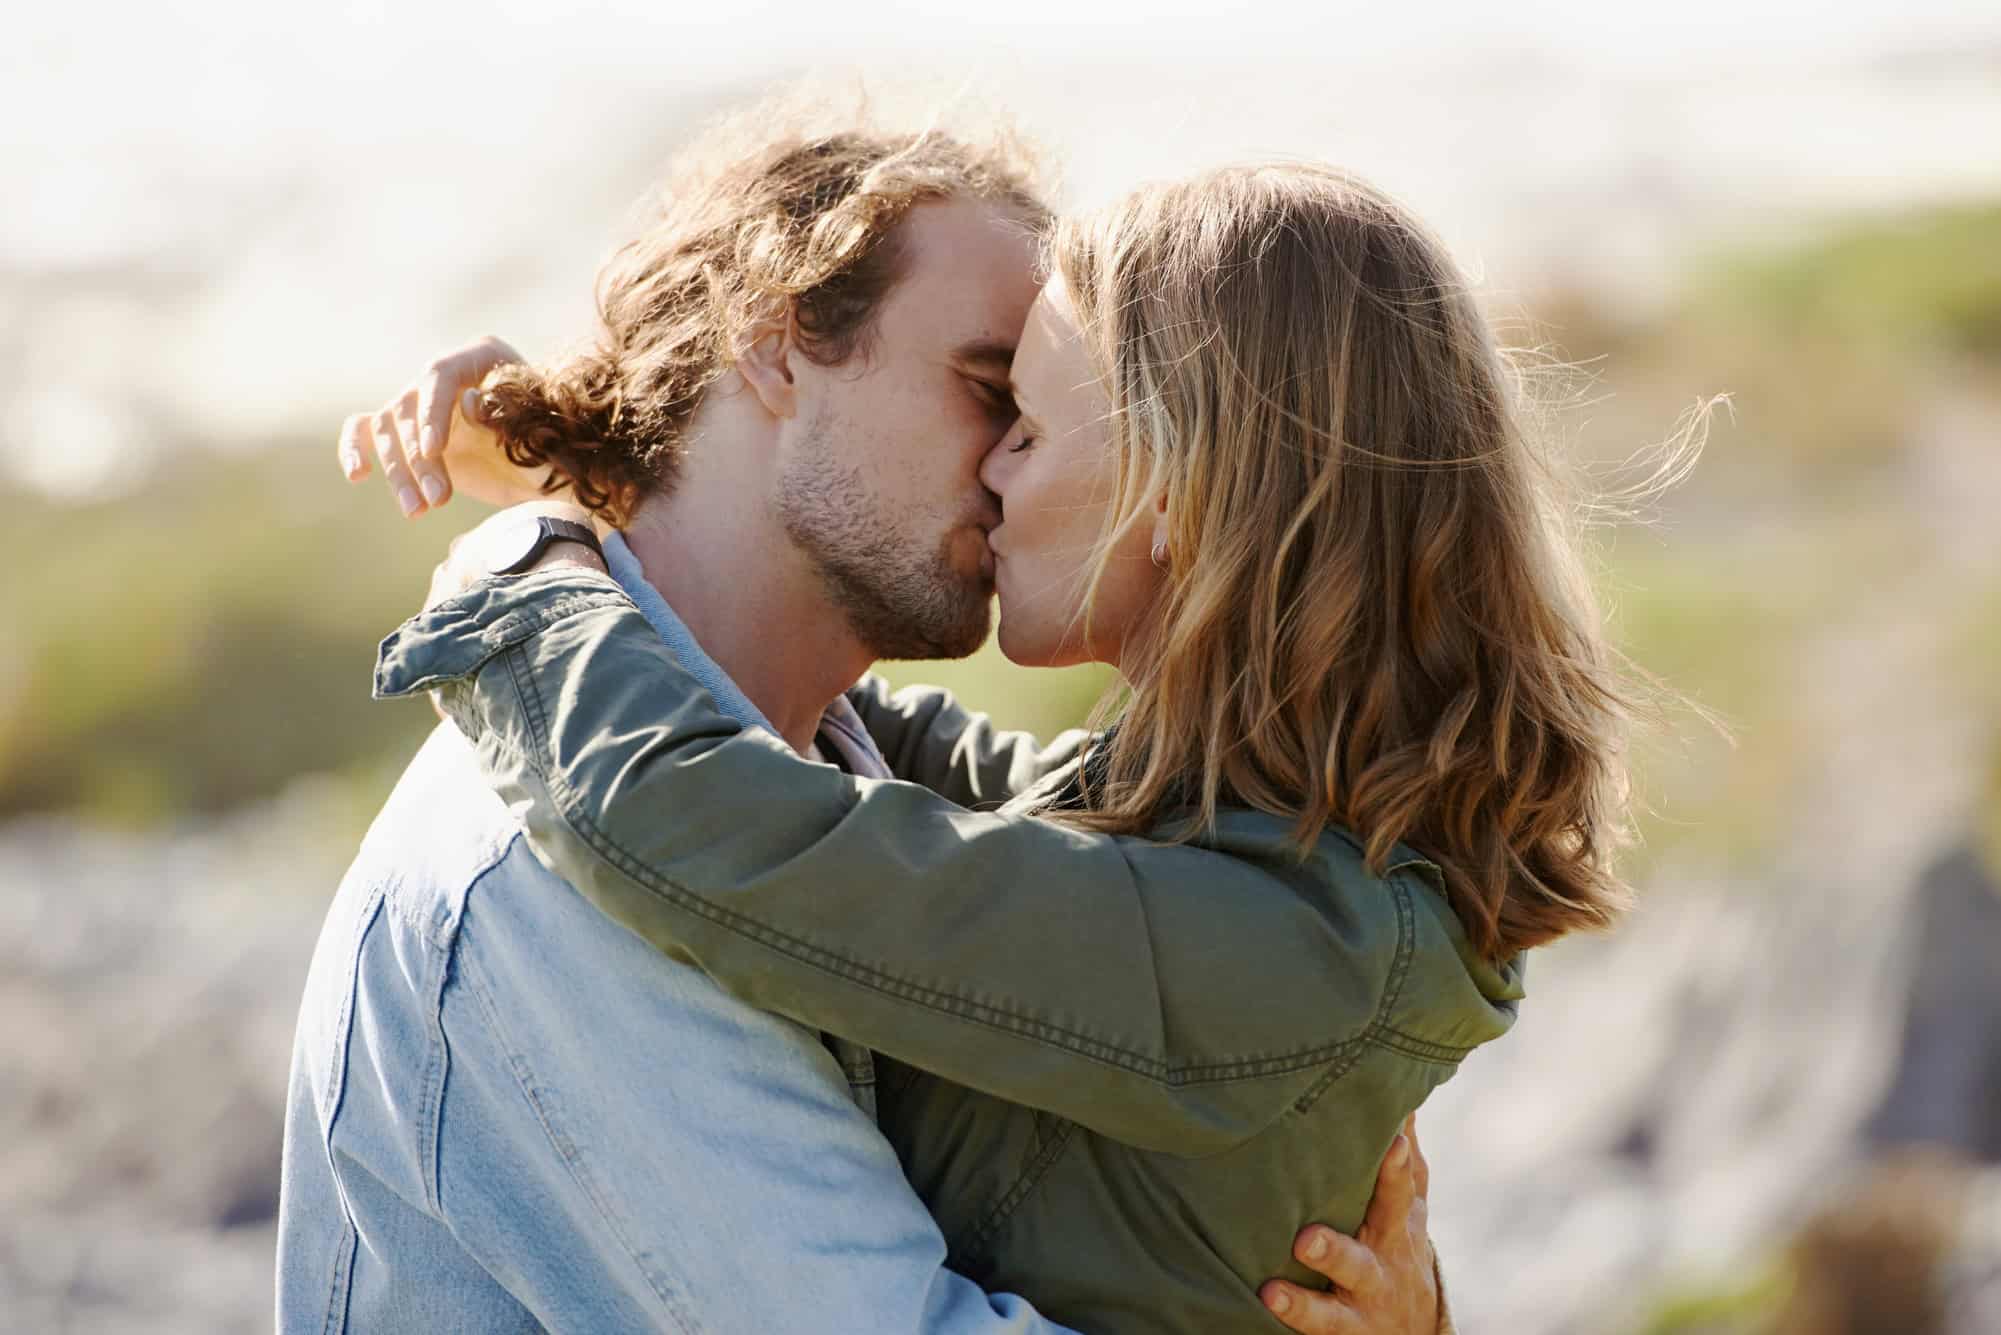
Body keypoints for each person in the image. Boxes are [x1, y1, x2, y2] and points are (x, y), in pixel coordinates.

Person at [367, 153, 1659, 1329]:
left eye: (1024, 423)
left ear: (1181, 485)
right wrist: (601, 482)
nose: (992, 472)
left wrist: (520, 572)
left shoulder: (1277, 936)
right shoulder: (1243, 829)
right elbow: (869, 749)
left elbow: (707, 818)